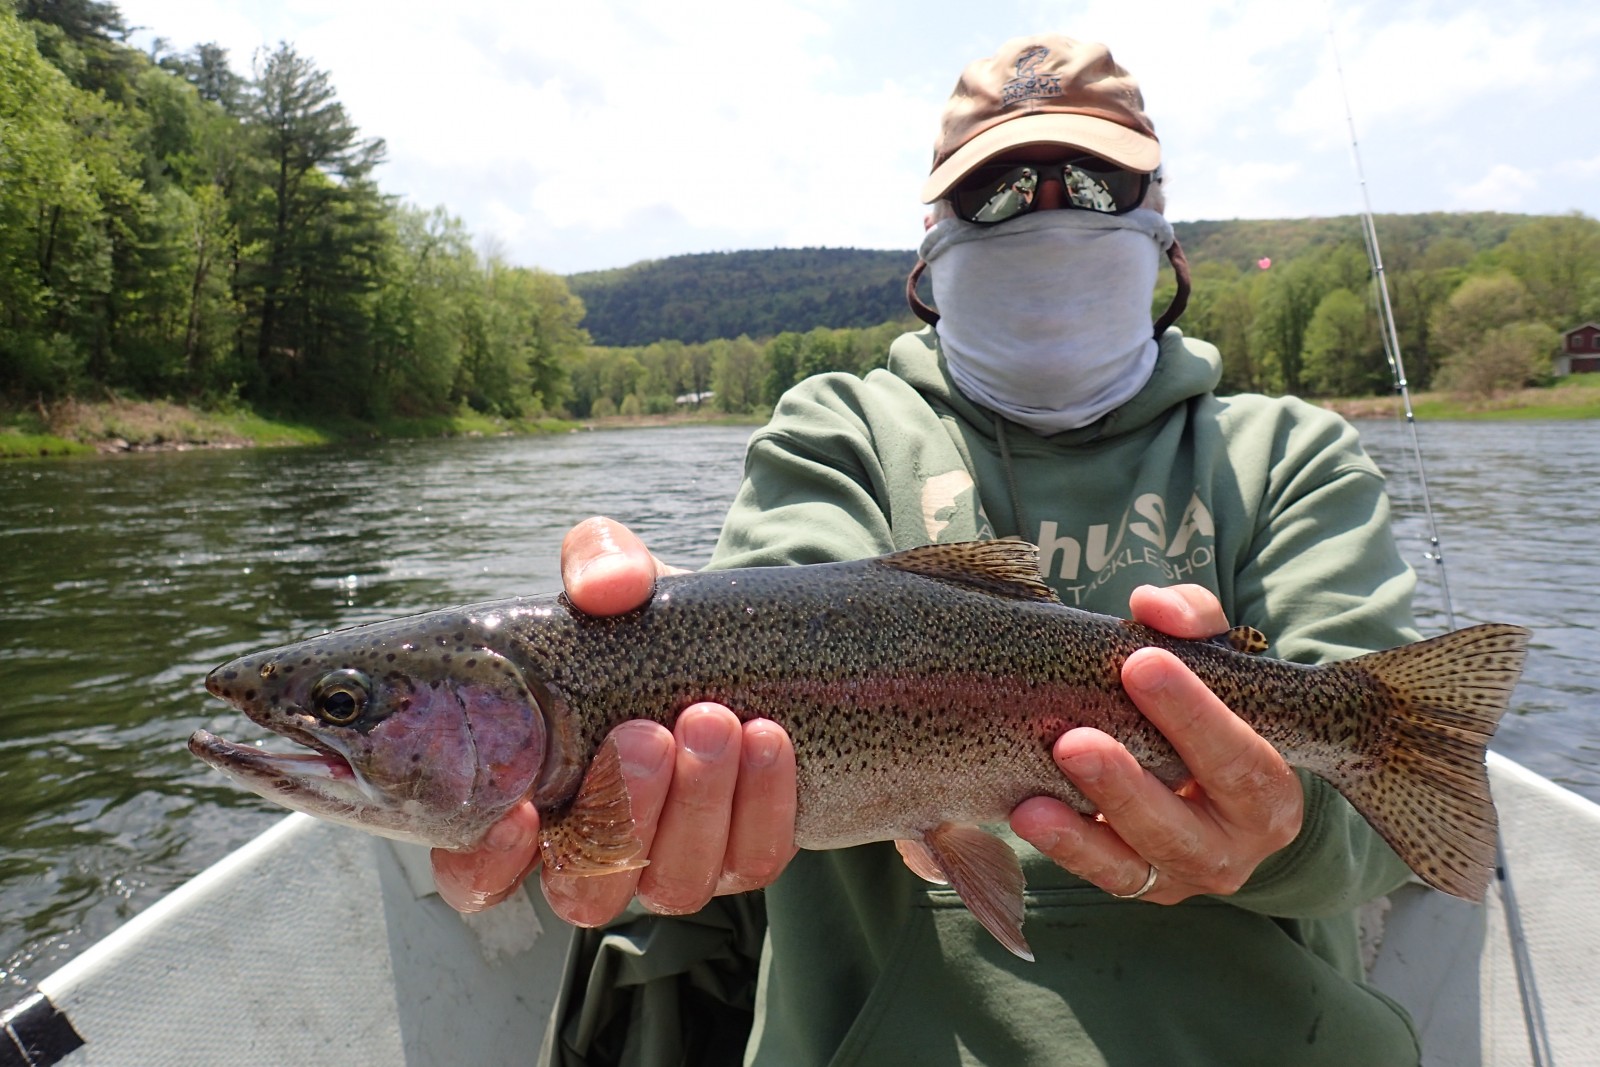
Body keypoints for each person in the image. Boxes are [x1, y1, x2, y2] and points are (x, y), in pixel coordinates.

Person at [434, 32, 1423, 1066]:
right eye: (997, 187)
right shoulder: (835, 431)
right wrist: (665, 660)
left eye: (1093, 181)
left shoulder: (1287, 452)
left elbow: (1381, 831)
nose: (1049, 211)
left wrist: (1271, 817)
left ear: (1161, 225)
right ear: (933, 244)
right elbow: (776, 609)